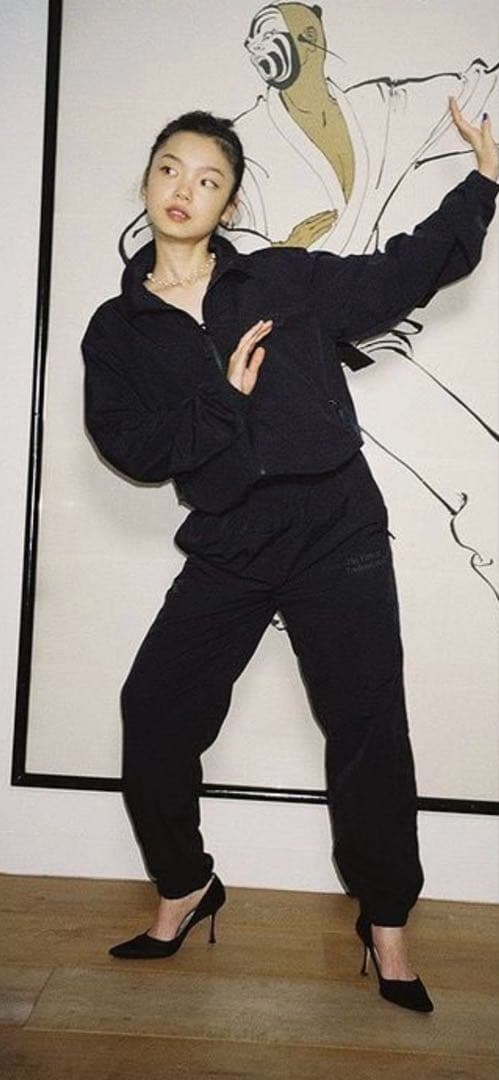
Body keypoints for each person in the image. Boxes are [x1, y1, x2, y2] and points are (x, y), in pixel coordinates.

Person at [81, 99, 498, 1012]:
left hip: (333, 529)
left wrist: (482, 183)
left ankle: (385, 925)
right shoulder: (117, 330)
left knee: (367, 731)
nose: (184, 189)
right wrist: (223, 404)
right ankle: (186, 885)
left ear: (228, 203)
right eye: (169, 168)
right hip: (228, 541)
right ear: (147, 180)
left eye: (208, 179)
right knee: (154, 712)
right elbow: (134, 449)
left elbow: (400, 275)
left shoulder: (280, 279)